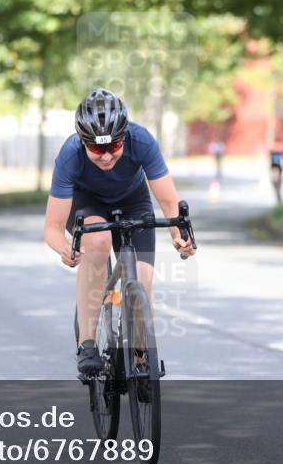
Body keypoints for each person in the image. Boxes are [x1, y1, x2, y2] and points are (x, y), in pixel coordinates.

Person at [43, 89, 196, 374]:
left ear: (124, 137)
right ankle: (87, 343)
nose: (106, 157)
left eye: (113, 147)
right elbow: (52, 228)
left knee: (142, 280)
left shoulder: (141, 140)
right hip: (86, 203)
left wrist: (178, 233)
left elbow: (167, 200)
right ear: (81, 141)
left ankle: (141, 359)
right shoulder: (70, 155)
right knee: (98, 243)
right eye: (97, 149)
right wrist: (65, 248)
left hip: (133, 200)